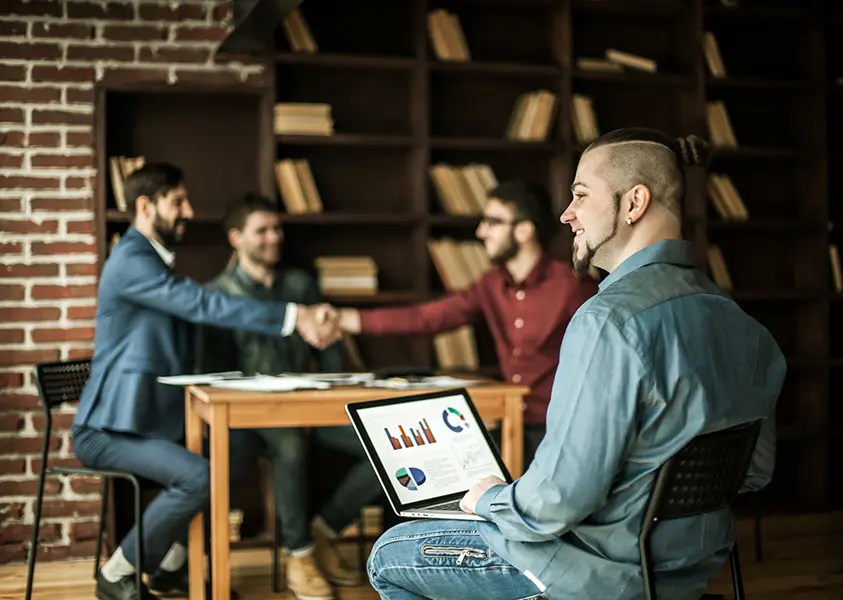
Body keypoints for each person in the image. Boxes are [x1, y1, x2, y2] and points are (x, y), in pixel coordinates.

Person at [364, 128, 786, 600]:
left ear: (634, 203)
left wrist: (488, 498)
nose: (566, 215)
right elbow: (755, 472)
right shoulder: (743, 324)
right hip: (688, 569)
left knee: (389, 553)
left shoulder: (608, 321)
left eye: (581, 195)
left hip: (598, 571)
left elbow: (553, 505)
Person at [71, 163, 340, 600]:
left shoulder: (152, 262)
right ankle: (118, 571)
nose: (189, 211)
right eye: (177, 201)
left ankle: (175, 566)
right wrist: (294, 316)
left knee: (236, 449)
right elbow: (202, 304)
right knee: (198, 476)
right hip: (106, 430)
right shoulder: (132, 261)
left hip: (149, 420)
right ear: (145, 206)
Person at [324, 180, 597, 468]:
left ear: (525, 230)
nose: (481, 232)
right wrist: (343, 320)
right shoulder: (491, 285)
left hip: (559, 430)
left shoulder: (571, 286)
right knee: (404, 453)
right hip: (508, 422)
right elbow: (427, 317)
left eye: (493, 222)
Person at [199, 193, 384, 598]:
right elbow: (211, 372)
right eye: (261, 230)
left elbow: (332, 355)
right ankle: (299, 555)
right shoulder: (219, 293)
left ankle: (324, 530)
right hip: (254, 418)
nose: (274, 237)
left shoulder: (301, 283)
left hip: (314, 407)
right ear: (235, 238)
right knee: (289, 444)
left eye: (277, 228)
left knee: (384, 444)